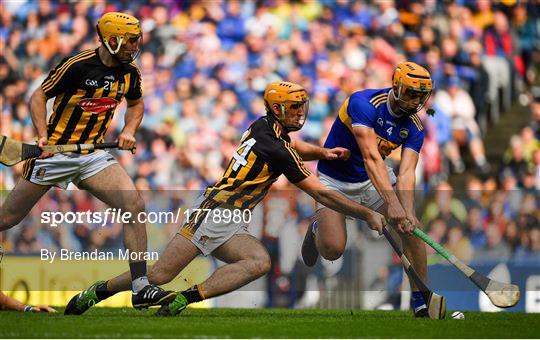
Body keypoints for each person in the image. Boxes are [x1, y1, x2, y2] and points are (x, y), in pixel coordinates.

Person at [64, 81, 386, 316]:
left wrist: (323, 151)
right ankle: (97, 292)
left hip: (231, 216)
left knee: (258, 262)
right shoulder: (276, 148)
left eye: (301, 105)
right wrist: (365, 212)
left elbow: (294, 146)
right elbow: (319, 192)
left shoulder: (264, 127)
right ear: (277, 109)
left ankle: (184, 298)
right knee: (159, 275)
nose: (300, 112)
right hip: (217, 212)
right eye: (294, 107)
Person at [0, 12, 173, 309]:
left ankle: (140, 286)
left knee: (133, 205)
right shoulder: (77, 65)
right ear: (112, 39)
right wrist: (42, 134)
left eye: (136, 39)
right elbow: (39, 96)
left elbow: (136, 103)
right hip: (54, 154)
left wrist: (129, 129)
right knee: (7, 219)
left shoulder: (130, 73)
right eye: (130, 40)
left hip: (92, 155)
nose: (135, 46)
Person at [301, 62, 435, 317]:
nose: (414, 100)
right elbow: (371, 158)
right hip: (334, 181)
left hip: (373, 181)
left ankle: (421, 299)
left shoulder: (416, 126)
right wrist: (393, 203)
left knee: (413, 232)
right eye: (410, 92)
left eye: (420, 95)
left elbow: (407, 172)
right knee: (332, 249)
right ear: (395, 87)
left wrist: (407, 210)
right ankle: (318, 227)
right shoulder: (363, 104)